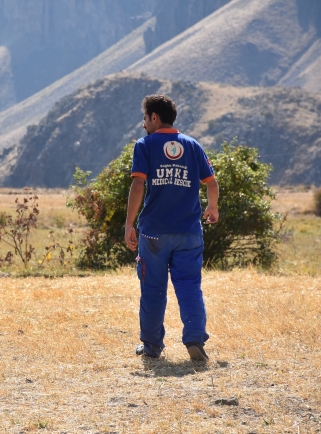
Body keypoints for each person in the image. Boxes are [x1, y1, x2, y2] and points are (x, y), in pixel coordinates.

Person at [124, 94, 219, 362]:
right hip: (189, 232)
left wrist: (129, 224)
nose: (143, 124)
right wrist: (212, 208)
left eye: (144, 118)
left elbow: (138, 185)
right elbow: (211, 183)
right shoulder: (192, 145)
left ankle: (152, 348)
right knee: (189, 286)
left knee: (153, 289)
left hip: (154, 232)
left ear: (154, 117)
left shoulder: (145, 145)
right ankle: (195, 339)